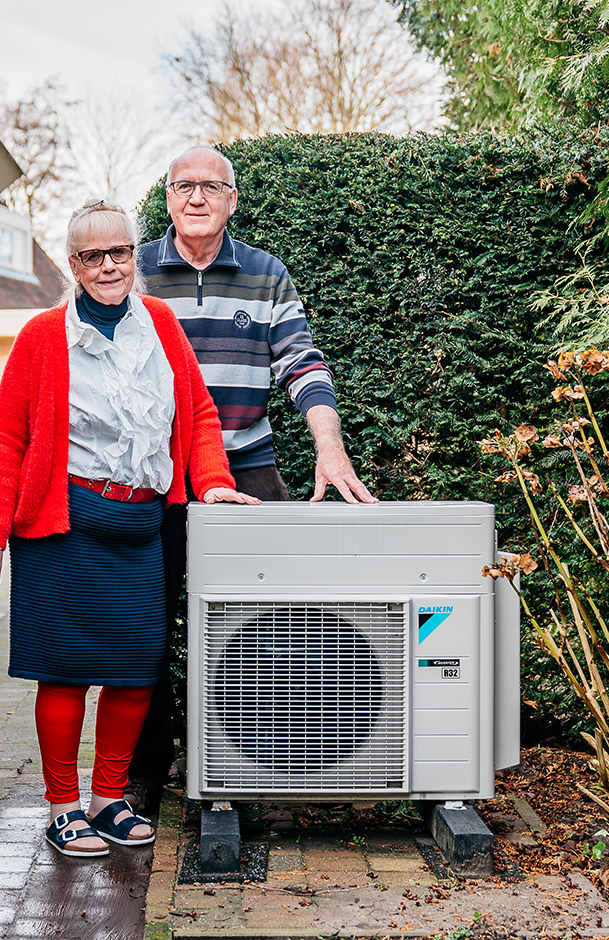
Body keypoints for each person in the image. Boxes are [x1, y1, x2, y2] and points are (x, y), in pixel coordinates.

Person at [0, 199, 258, 859]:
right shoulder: (43, 336)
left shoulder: (160, 324)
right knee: (64, 671)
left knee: (135, 669)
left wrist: (212, 481)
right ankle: (63, 807)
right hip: (63, 527)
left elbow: (198, 413)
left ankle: (108, 799)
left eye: (119, 252)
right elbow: (7, 438)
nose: (108, 266)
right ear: (73, 265)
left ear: (134, 256)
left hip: (139, 527)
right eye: (92, 256)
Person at [126, 146, 377, 814]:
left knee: (268, 629)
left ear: (233, 199)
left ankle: (252, 765)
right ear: (168, 197)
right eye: (184, 185)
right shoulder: (136, 270)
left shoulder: (267, 274)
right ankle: (146, 770)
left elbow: (302, 363)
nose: (197, 197)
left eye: (212, 186)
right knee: (146, 628)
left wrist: (330, 446)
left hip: (247, 469)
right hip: (156, 478)